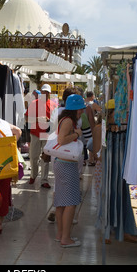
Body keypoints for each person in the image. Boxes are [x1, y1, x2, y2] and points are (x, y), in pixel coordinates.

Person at [53, 94, 85, 248]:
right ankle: (66, 238)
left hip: (61, 164)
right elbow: (61, 140)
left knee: (61, 202)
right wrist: (77, 134)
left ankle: (60, 235)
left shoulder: (64, 119)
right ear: (75, 109)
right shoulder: (67, 121)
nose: (82, 112)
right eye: (80, 109)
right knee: (71, 202)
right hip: (66, 165)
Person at [25, 84, 57, 188]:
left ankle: (44, 180)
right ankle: (33, 175)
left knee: (45, 157)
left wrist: (49, 121)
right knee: (34, 156)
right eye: (43, 92)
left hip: (46, 134)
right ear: (41, 92)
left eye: (47, 92)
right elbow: (26, 119)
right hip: (35, 133)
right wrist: (38, 119)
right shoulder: (34, 103)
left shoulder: (53, 105)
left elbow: (55, 121)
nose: (45, 94)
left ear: (49, 93)